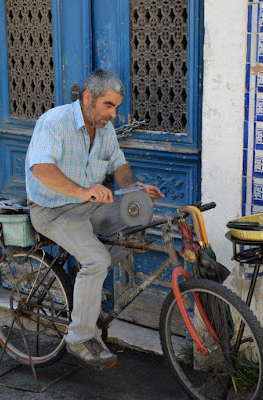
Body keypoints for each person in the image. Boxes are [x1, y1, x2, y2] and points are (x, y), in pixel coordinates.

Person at [25, 69, 164, 368]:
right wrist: (83, 190)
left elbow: (120, 164)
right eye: (109, 106)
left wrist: (133, 189)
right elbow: (41, 170)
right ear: (88, 98)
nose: (113, 114)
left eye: (115, 107)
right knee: (97, 260)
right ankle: (80, 337)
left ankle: (88, 287)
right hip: (53, 210)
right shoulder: (54, 122)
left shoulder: (104, 128)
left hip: (88, 207)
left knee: (138, 218)